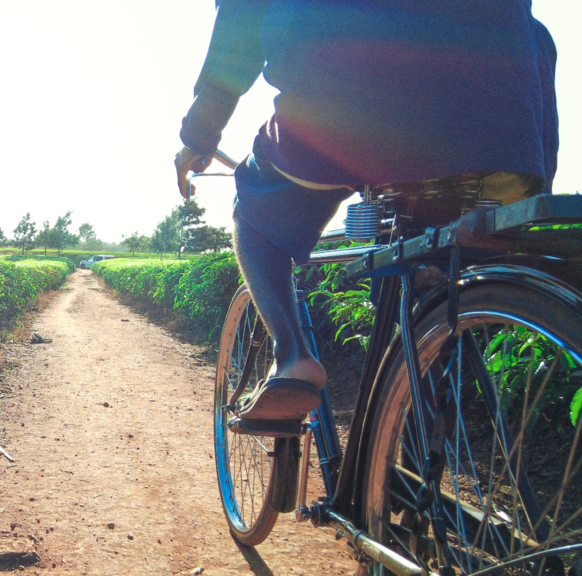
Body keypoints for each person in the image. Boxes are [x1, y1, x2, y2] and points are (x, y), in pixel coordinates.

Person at [175, 0, 558, 422]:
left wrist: (200, 134)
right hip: (507, 126)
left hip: (348, 106)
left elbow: (240, 22)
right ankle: (401, 466)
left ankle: (293, 358)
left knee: (251, 204)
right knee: (420, 275)